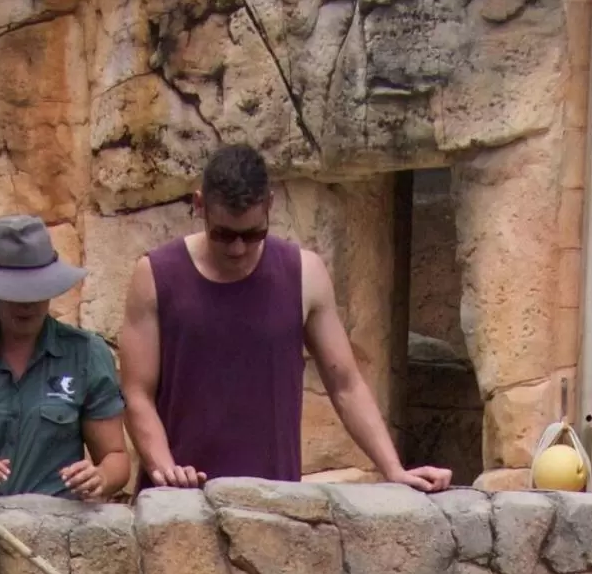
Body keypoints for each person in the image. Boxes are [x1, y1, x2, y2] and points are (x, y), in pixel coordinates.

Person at [119, 144, 452, 494]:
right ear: (199, 205)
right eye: (224, 234)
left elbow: (346, 384)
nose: (237, 248)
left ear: (270, 206)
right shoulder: (156, 275)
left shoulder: (304, 273)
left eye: (251, 234)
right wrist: (165, 468)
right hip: (179, 502)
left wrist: (393, 469)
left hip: (275, 504)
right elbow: (136, 393)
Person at [0, 215, 130, 502]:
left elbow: (116, 458)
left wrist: (99, 477)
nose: (27, 303)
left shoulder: (86, 354)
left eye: (37, 290)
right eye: (15, 292)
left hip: (59, 524)